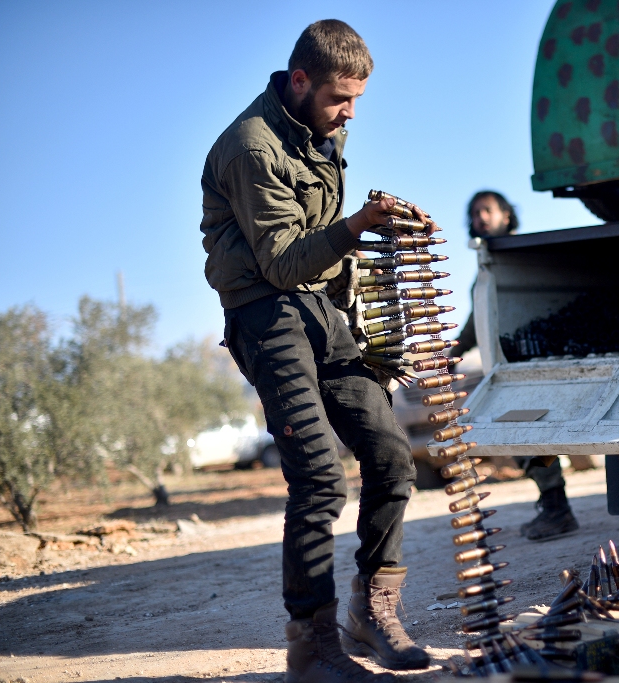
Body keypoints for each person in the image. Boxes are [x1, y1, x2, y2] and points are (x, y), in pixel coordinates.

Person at [200, 20, 430, 683]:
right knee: (319, 477)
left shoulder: (321, 130)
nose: (350, 113)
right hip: (265, 312)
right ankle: (315, 646)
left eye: (357, 100)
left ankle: (374, 609)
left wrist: (382, 222)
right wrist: (355, 227)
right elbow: (278, 261)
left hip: (321, 310)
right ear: (299, 81)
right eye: (339, 98)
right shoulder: (251, 147)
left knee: (390, 453)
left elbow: (318, 243)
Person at [458, 191, 580, 542]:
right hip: (509, 368)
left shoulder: (521, 254)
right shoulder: (489, 263)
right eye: (475, 212)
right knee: (524, 436)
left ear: (506, 216)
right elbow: (477, 319)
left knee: (528, 433)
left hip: (533, 364)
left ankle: (557, 510)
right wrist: (455, 348)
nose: (481, 217)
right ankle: (555, 507)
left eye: (488, 210)